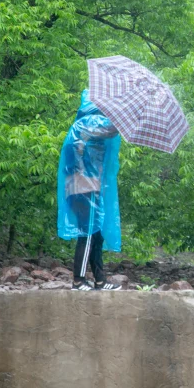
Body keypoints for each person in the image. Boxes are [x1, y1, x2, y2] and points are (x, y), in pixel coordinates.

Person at [57, 89, 123, 291]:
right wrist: (125, 118)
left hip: (85, 184)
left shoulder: (84, 123)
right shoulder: (89, 122)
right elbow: (110, 129)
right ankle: (78, 280)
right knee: (87, 232)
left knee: (96, 233)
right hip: (84, 185)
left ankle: (100, 280)